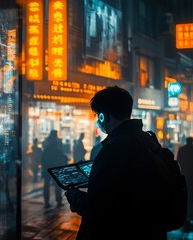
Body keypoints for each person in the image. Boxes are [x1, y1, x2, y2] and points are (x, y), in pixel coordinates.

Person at [64, 86, 168, 239]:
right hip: (149, 231)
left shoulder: (114, 148)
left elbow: (97, 207)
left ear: (103, 116)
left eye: (98, 115)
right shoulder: (146, 139)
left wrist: (73, 195)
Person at [41, 130, 66, 208]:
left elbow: (43, 157)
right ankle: (58, 201)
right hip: (54, 167)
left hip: (47, 168)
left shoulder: (46, 143)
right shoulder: (55, 144)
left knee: (46, 185)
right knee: (57, 185)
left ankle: (46, 202)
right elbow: (59, 155)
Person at [177, 136, 193, 232]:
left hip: (185, 174)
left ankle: (186, 216)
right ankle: (190, 215)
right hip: (192, 175)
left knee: (186, 195)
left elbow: (179, 161)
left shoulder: (182, 149)